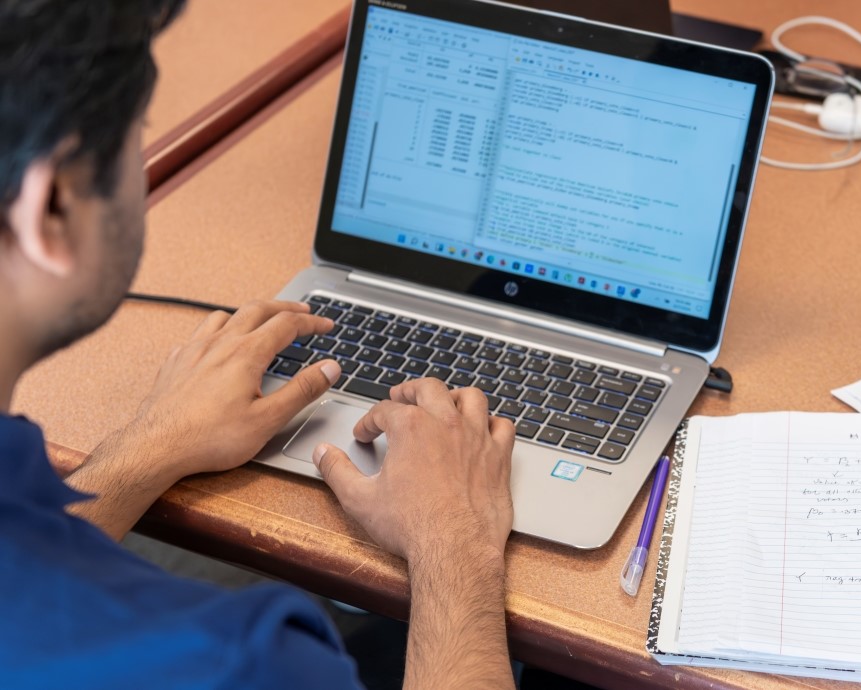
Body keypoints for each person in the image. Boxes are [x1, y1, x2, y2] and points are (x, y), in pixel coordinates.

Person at [0, 1, 517, 687]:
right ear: (54, 205)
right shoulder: (235, 663)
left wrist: (144, 450)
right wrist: (455, 541)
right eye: (138, 134)